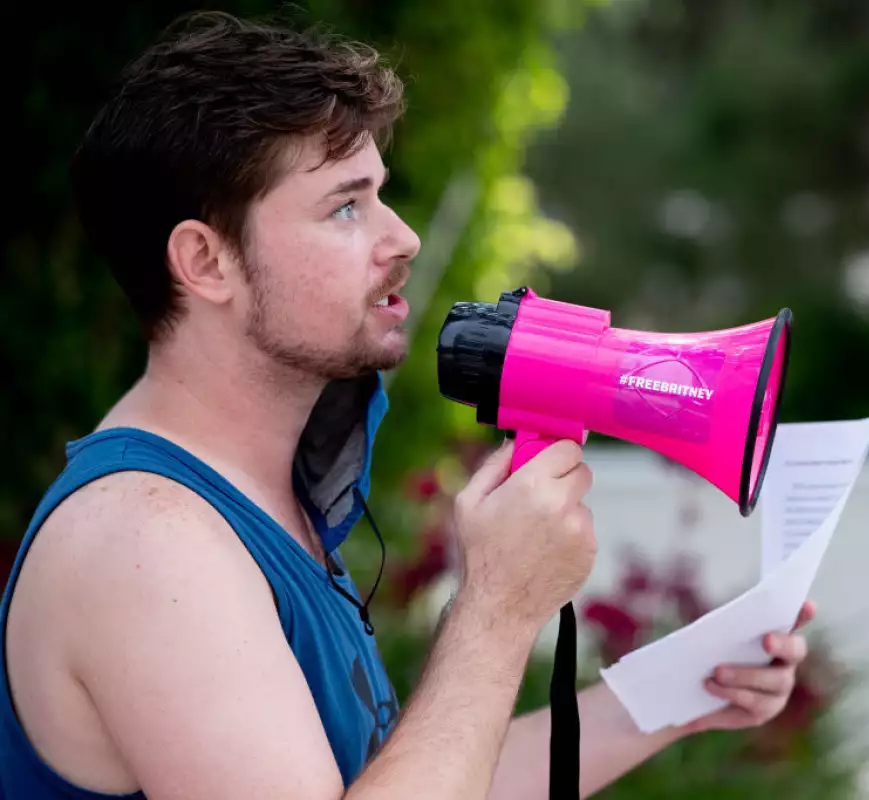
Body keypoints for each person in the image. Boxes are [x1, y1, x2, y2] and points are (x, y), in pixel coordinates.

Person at [0, 11, 815, 799]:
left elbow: (423, 782)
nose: (403, 239)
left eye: (380, 195)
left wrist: (677, 692)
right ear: (206, 262)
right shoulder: (148, 541)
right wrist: (496, 611)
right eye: (345, 207)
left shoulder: (258, 505)